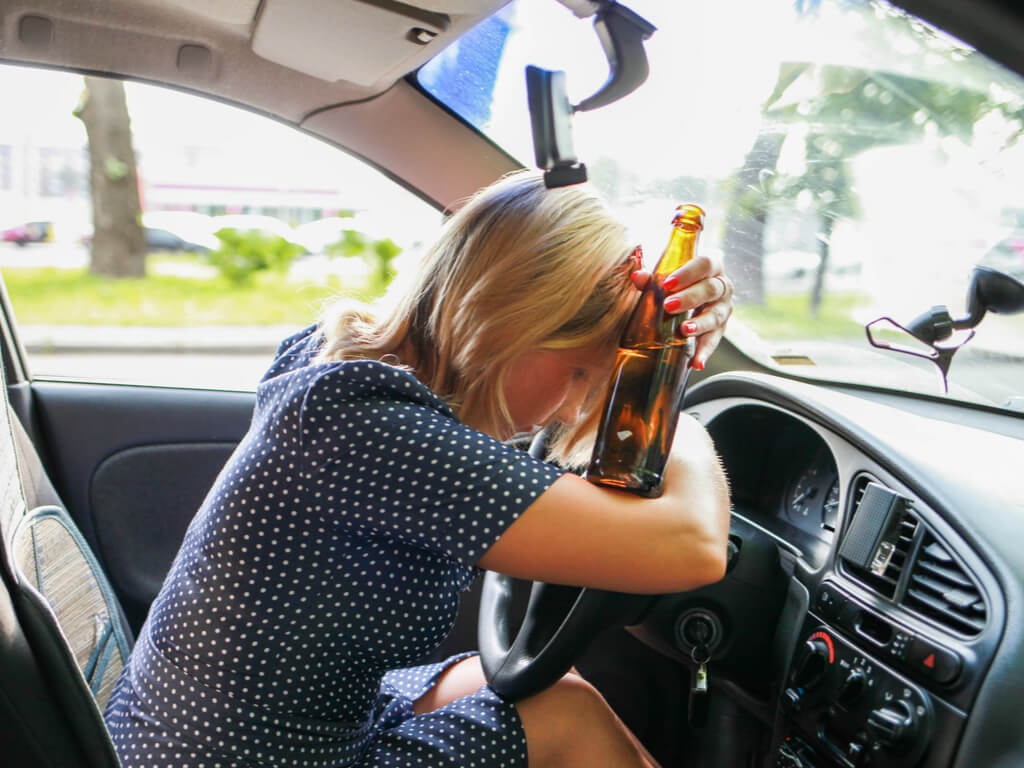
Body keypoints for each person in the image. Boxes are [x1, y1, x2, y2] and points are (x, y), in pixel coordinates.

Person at [104, 170, 734, 768]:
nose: (568, 410)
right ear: (508, 316)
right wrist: (666, 392)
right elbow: (694, 547)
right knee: (565, 715)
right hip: (234, 757)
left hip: (219, 733)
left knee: (521, 680)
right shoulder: (373, 432)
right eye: (576, 372)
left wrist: (656, 332)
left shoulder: (350, 371)